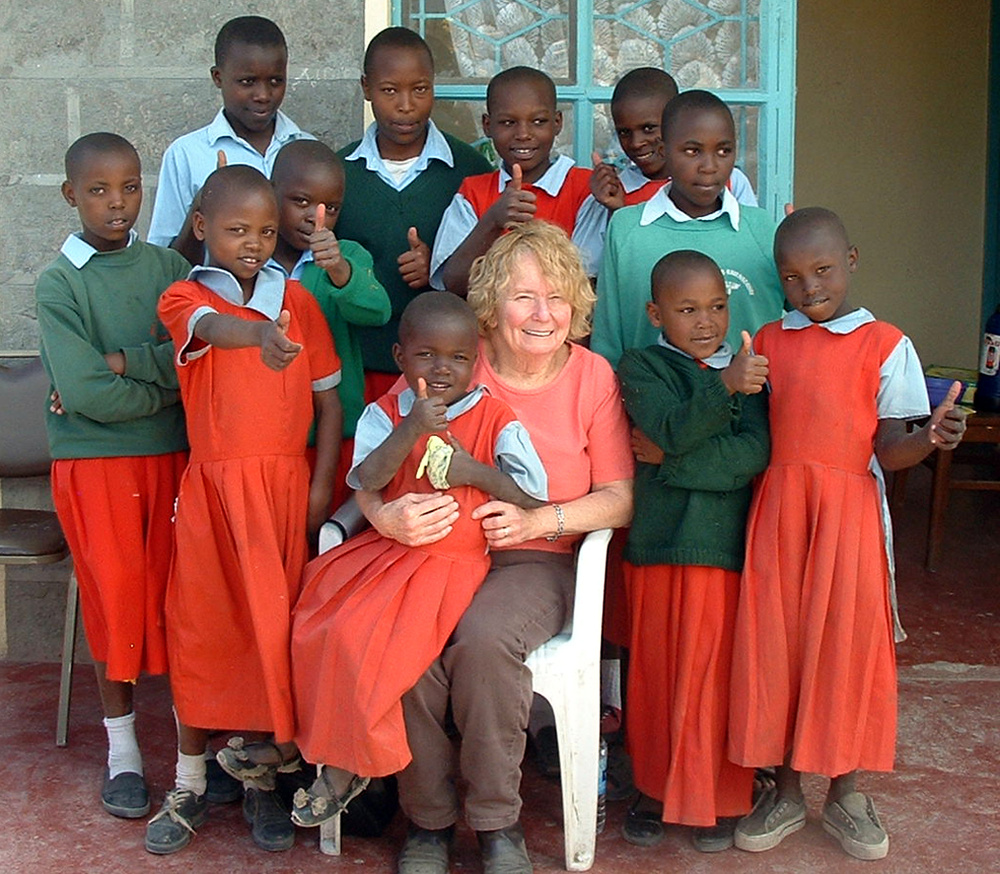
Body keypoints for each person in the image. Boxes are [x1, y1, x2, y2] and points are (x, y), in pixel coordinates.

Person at [357, 222, 633, 874]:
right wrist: (384, 515)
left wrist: (543, 522)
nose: (544, 315)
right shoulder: (452, 360)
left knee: (482, 640)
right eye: (525, 297)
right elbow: (377, 457)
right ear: (489, 306)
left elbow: (620, 497)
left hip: (538, 562)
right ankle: (428, 820)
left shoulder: (591, 376)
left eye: (559, 298)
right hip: (439, 552)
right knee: (411, 639)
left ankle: (496, 822)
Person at [728, 208, 967, 861]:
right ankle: (782, 791)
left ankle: (845, 793)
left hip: (849, 516)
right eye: (793, 277)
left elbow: (890, 450)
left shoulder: (886, 344)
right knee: (779, 644)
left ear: (853, 260)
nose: (809, 288)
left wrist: (929, 440)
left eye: (823, 270)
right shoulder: (768, 342)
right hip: (778, 512)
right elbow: (745, 427)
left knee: (844, 646)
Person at [289, 292, 548, 829]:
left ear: (475, 359)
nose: (442, 369)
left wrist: (474, 471)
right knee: (321, 622)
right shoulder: (385, 411)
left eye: (457, 357)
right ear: (400, 357)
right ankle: (314, 750)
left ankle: (345, 766)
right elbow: (366, 479)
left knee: (378, 642)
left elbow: (532, 494)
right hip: (387, 550)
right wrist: (412, 427)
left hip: (449, 562)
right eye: (426, 356)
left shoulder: (495, 415)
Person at [145, 165, 342, 855]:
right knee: (201, 629)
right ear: (202, 229)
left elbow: (328, 402)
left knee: (272, 635)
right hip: (214, 493)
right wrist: (257, 336)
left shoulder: (299, 299)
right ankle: (190, 779)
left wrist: (320, 487)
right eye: (236, 230)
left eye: (264, 230)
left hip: (285, 492)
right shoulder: (184, 296)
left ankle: (262, 778)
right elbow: (209, 328)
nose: (254, 244)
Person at [35, 132, 190, 821]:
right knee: (115, 602)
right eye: (98, 190)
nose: (117, 203)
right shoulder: (58, 283)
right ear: (71, 195)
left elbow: (188, 362)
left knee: (185, 604)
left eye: (129, 187)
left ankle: (195, 762)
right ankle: (122, 751)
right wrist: (155, 385)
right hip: (93, 468)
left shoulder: (166, 268)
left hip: (173, 462)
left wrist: (124, 366)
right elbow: (86, 393)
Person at [615, 250, 769, 853]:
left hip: (725, 550)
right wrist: (719, 392)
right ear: (656, 313)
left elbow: (753, 455)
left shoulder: (752, 371)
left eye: (717, 307)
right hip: (657, 547)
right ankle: (653, 789)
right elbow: (669, 425)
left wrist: (671, 460)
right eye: (687, 309)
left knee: (716, 678)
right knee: (656, 675)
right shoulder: (642, 366)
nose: (706, 322)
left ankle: (722, 799)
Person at [336, 26, 492, 401]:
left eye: (419, 89)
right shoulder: (339, 173)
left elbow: (492, 270)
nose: (406, 104)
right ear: (366, 88)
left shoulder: (469, 170)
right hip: (360, 369)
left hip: (446, 377)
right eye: (390, 90)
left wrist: (437, 269)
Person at [592, 89, 785, 370]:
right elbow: (608, 342)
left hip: (752, 409)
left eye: (723, 151)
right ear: (663, 152)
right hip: (653, 410)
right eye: (692, 151)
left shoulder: (761, 229)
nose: (709, 167)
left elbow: (807, 320)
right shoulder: (628, 229)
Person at [270, 139, 391, 508]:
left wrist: (339, 270)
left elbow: (376, 311)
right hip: (269, 438)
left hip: (336, 434)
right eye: (301, 202)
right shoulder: (249, 260)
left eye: (330, 207)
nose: (314, 217)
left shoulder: (348, 256)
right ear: (270, 193)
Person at [430, 66, 607, 295]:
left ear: (557, 123)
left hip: (560, 329)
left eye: (538, 121)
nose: (523, 134)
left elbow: (581, 284)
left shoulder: (584, 189)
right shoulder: (473, 193)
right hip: (488, 330)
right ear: (487, 125)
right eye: (507, 123)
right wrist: (492, 222)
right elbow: (453, 283)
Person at [147, 15, 312, 256]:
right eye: (248, 82)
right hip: (213, 293)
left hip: (295, 293)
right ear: (218, 77)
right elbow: (165, 261)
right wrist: (205, 200)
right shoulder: (187, 154)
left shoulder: (307, 150)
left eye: (276, 81)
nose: (263, 95)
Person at [590, 68, 757, 211]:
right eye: (624, 132)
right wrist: (617, 212)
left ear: (675, 123)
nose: (636, 143)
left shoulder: (728, 181)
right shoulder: (614, 191)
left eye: (649, 128)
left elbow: (750, 242)